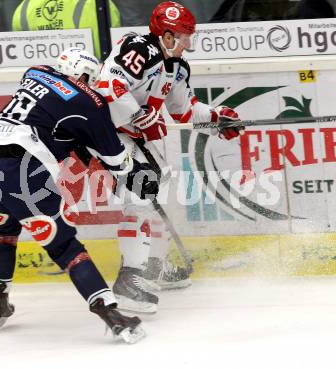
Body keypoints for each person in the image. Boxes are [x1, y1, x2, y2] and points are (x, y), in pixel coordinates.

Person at [0, 47, 160, 343]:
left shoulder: (36, 72)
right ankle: (111, 314)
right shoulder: (90, 100)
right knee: (64, 247)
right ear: (86, 76)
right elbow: (117, 160)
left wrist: (76, 139)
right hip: (21, 172)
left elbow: (53, 119)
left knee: (2, 232)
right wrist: (135, 172)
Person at [94, 1, 244, 314]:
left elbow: (185, 111)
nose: (189, 42)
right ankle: (128, 280)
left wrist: (217, 119)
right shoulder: (138, 48)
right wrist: (140, 117)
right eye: (183, 35)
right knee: (140, 196)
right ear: (165, 36)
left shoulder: (176, 67)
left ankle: (153, 266)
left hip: (135, 134)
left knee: (161, 194)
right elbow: (108, 88)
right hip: (109, 132)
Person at [12, 0, 120, 59]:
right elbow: (116, 45)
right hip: (89, 78)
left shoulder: (23, 8)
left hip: (42, 83)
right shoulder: (97, 4)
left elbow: (20, 55)